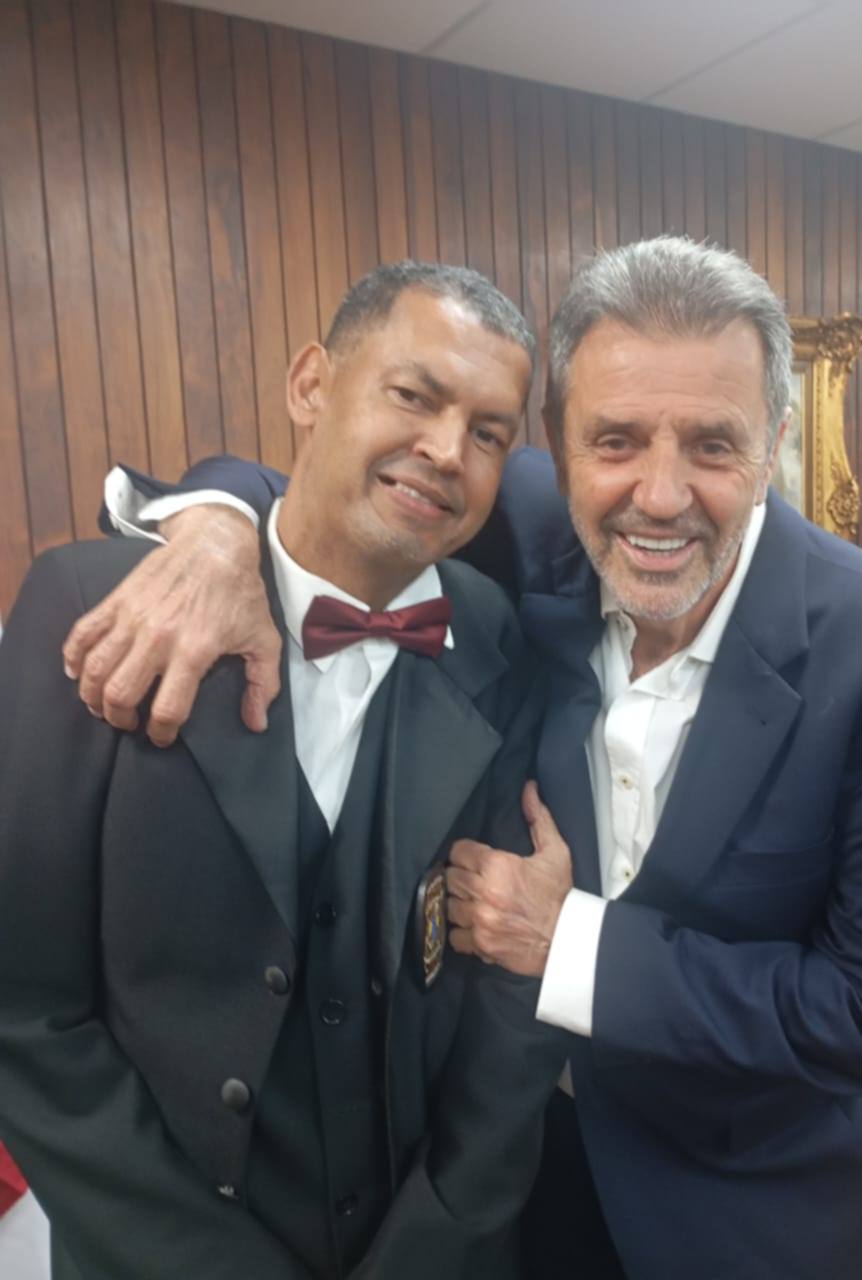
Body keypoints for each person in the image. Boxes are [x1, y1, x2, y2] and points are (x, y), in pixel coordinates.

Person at [63, 238, 862, 1280]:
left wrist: (569, 944)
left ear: (775, 442)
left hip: (753, 1222)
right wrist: (218, 526)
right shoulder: (536, 526)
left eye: (713, 445)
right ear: (557, 447)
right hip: (517, 1198)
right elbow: (336, 481)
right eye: (614, 440)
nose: (658, 495)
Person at [0, 262, 566, 1279]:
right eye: (414, 395)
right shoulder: (93, 608)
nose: (448, 451)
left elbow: (504, 999)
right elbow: (23, 1011)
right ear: (311, 385)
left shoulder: (496, 639)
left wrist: (437, 1240)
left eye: (488, 432)